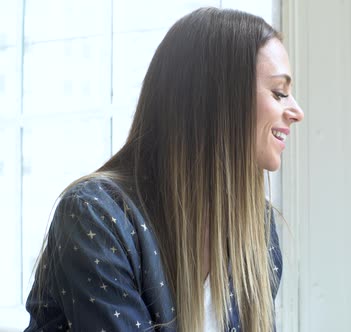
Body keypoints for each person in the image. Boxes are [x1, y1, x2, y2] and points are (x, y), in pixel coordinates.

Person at [24, 7, 303, 332]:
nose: (296, 111)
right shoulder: (95, 215)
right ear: (216, 101)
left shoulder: (258, 230)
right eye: (279, 93)